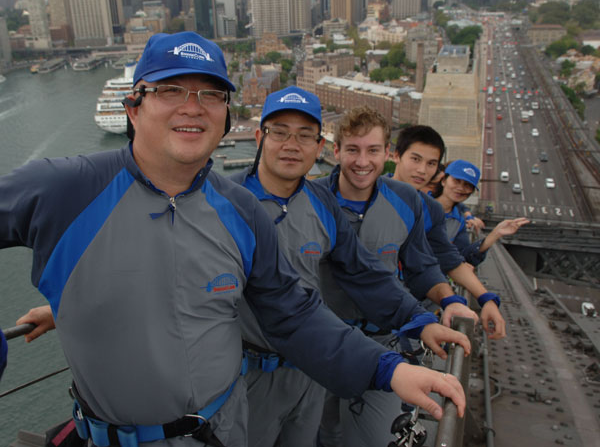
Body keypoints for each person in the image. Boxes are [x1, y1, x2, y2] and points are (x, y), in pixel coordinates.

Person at [3, 33, 465, 447]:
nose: (192, 106)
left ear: (225, 116)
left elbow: (293, 312)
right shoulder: (64, 190)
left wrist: (389, 368)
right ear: (133, 106)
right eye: (170, 90)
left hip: (225, 430)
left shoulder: (239, 210)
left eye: (211, 94)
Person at [228, 89, 470, 447]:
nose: (292, 145)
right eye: (280, 131)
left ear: (319, 145)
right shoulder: (225, 201)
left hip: (311, 369)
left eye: (305, 135)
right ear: (259, 136)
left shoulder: (320, 202)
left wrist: (419, 321)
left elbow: (362, 271)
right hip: (249, 374)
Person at [313, 106, 478, 447]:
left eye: (373, 150)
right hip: (322, 342)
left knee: (374, 437)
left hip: (382, 342)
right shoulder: (310, 200)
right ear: (336, 151)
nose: (362, 161)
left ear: (387, 154)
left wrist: (450, 300)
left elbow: (420, 266)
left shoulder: (407, 201)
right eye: (353, 150)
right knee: (324, 432)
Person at [392, 125, 507, 340]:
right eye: (415, 159)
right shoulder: (368, 196)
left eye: (431, 164)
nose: (422, 170)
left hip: (401, 309)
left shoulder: (430, 209)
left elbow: (449, 259)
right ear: (396, 155)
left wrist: (486, 298)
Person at [433, 160, 530, 264]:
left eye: (467, 185)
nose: (461, 188)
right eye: (456, 181)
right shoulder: (420, 203)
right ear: (443, 181)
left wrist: (495, 234)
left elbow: (462, 256)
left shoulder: (459, 221)